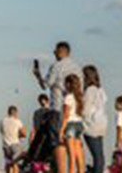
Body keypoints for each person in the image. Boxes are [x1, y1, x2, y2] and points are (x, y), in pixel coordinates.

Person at [32, 42, 82, 173]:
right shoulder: (78, 68)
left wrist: (38, 75)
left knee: (58, 143)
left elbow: (46, 84)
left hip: (59, 108)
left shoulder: (57, 66)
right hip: (76, 113)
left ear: (60, 52)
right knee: (75, 145)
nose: (53, 53)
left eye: (55, 51)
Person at [82, 66, 107, 173]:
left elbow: (85, 110)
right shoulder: (100, 90)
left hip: (91, 126)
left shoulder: (89, 90)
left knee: (97, 157)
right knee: (100, 156)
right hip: (101, 124)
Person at [60, 75, 85, 173]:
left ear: (69, 84)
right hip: (79, 124)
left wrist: (61, 130)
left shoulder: (68, 97)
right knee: (78, 154)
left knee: (71, 156)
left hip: (70, 125)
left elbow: (66, 115)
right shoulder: (79, 97)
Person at [0, 106, 26, 173]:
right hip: (15, 144)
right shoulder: (17, 121)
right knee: (15, 162)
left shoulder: (2, 121)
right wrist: (19, 135)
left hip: (5, 145)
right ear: (15, 112)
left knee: (8, 162)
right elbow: (24, 134)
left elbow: (2, 132)